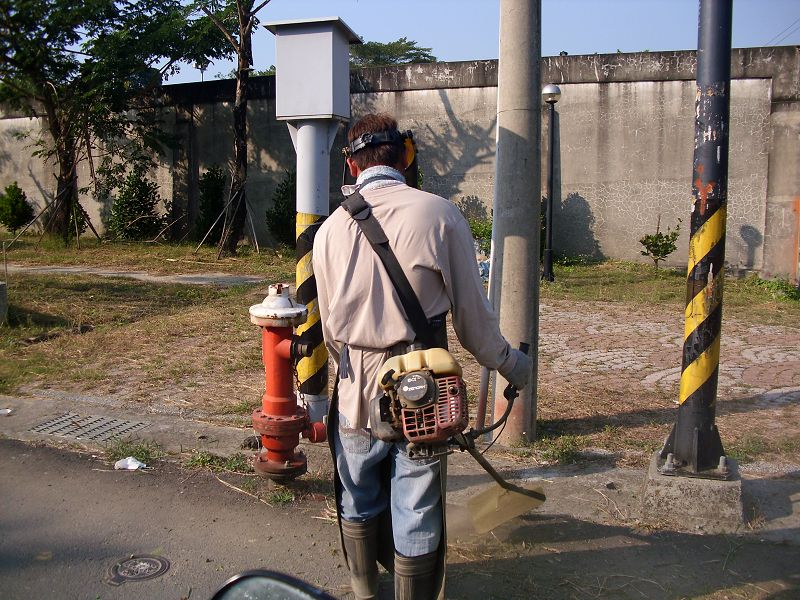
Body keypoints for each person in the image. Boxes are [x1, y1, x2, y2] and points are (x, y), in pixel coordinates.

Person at [313, 113, 532, 600]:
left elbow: (330, 329)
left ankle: (365, 591)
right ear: (404, 158)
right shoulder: (439, 214)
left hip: (353, 388)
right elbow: (475, 326)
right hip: (421, 389)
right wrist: (513, 365)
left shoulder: (329, 230)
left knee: (357, 494)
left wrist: (353, 369)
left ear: (351, 165)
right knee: (415, 503)